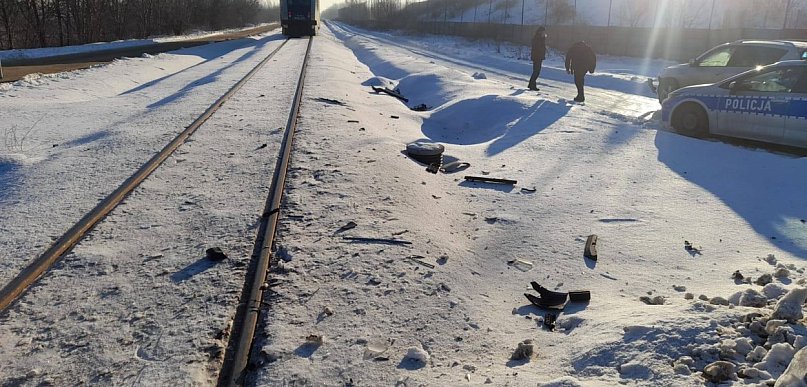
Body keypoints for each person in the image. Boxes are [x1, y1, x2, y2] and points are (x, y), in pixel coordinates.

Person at [528, 26, 547, 91]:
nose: (544, 33)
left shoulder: (540, 38)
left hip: (538, 57)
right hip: (537, 57)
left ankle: (532, 85)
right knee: (536, 71)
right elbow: (538, 48)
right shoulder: (538, 38)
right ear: (540, 32)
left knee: (536, 71)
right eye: (543, 31)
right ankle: (532, 85)